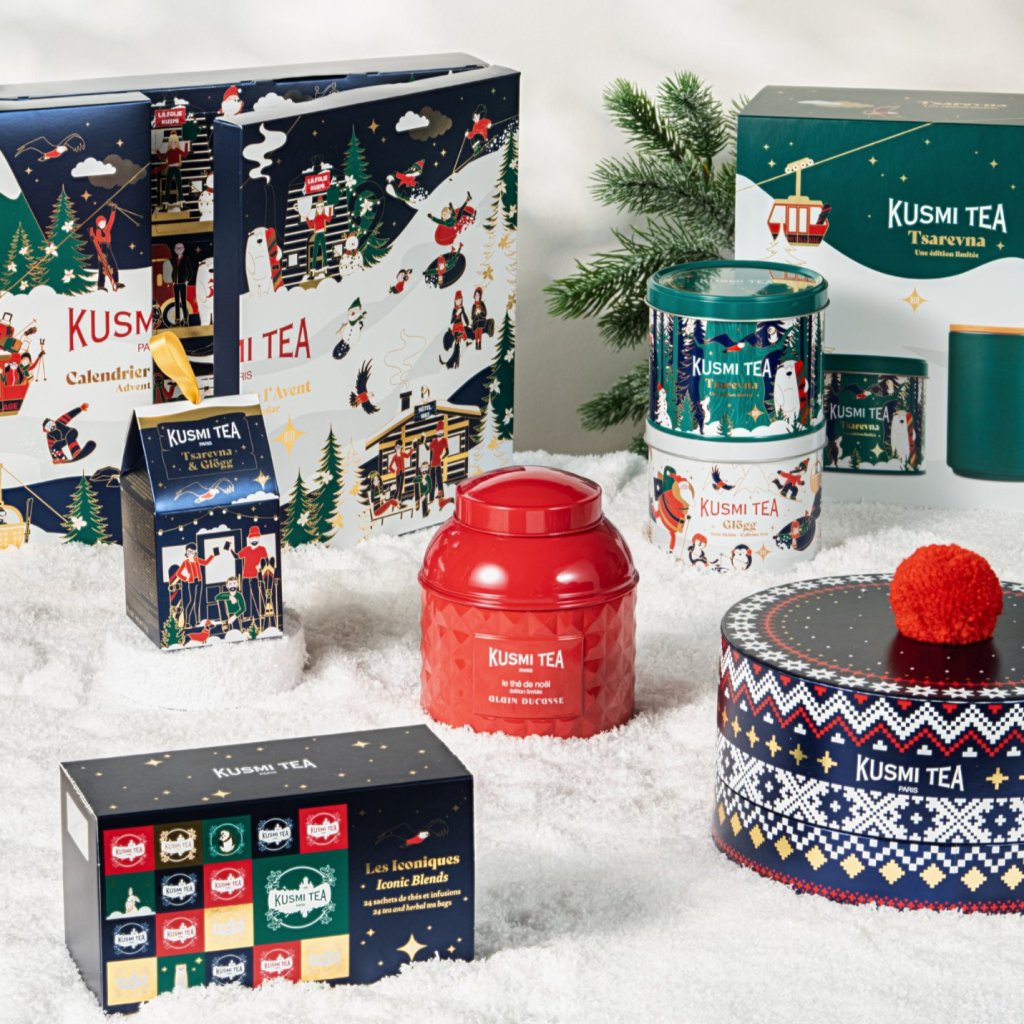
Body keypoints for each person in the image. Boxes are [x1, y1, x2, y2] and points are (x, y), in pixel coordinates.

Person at [224, 526, 269, 627]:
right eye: (252, 538)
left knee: (257, 595)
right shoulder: (247, 549)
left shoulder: (262, 549)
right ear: (249, 539)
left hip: (256, 577)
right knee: (246, 596)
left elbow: (267, 562)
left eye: (256, 537)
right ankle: (248, 615)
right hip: (245, 577)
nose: (254, 540)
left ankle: (260, 613)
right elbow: (237, 556)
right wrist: (231, 549)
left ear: (259, 538)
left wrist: (261, 567)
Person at [170, 542, 214, 627]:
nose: (191, 554)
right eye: (189, 552)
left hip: (199, 581)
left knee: (197, 601)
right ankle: (187, 621)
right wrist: (185, 578)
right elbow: (178, 573)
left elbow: (206, 562)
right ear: (186, 553)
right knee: (191, 601)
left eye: (193, 552)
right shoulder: (185, 562)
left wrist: (212, 555)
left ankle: (197, 621)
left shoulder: (197, 560)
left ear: (195, 552)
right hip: (192, 583)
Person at [89, 210, 121, 291]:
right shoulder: (97, 233)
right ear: (98, 225)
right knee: (102, 268)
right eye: (101, 223)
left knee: (113, 264)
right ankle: (100, 285)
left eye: (104, 222)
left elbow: (111, 220)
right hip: (101, 251)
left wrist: (113, 211)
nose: (103, 224)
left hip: (108, 249)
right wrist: (91, 235)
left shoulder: (107, 229)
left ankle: (116, 281)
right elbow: (95, 242)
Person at [159, 132, 190, 208]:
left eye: (175, 142)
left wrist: (186, 144)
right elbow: (162, 158)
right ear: (170, 143)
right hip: (170, 168)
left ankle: (181, 200)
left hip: (175, 168)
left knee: (179, 184)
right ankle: (166, 201)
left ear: (177, 143)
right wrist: (158, 152)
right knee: (167, 185)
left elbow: (185, 154)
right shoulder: (169, 151)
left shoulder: (177, 150)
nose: (173, 144)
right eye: (172, 142)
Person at [305, 196, 333, 276]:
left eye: (321, 207)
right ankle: (313, 271)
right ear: (316, 208)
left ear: (323, 207)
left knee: (324, 251)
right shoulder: (316, 218)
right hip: (317, 234)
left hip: (322, 234)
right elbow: (310, 225)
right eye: (318, 207)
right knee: (315, 252)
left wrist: (330, 209)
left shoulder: (323, 216)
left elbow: (329, 219)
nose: (319, 209)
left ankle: (326, 269)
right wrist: (306, 218)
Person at [168, 241, 194, 325]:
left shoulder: (186, 258)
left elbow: (190, 272)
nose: (178, 249)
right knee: (176, 302)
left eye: (180, 248)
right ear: (175, 250)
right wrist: (173, 281)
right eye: (177, 248)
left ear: (183, 249)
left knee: (183, 302)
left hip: (183, 284)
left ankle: (186, 319)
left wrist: (187, 281)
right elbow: (173, 271)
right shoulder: (174, 259)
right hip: (175, 284)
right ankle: (177, 319)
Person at [427, 422, 449, 504]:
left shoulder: (444, 440)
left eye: (441, 431)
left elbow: (447, 451)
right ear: (436, 432)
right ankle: (431, 499)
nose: (439, 433)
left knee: (439, 480)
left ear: (442, 431)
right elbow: (428, 448)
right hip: (433, 464)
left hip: (438, 463)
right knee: (432, 482)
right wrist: (424, 442)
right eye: (438, 431)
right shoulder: (434, 441)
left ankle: (441, 497)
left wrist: (442, 457)